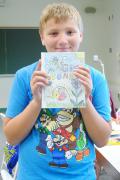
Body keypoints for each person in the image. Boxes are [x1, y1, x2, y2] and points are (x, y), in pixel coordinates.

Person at [3, 3, 111, 180]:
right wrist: (37, 101)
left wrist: (84, 99)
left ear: (81, 35)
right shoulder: (25, 76)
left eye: (70, 32)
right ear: (42, 37)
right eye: (53, 33)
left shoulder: (96, 79)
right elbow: (11, 137)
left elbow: (102, 140)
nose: (62, 40)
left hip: (80, 176)